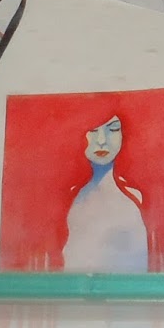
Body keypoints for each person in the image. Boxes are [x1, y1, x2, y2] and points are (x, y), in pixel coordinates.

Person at [62, 115, 149, 272]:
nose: (102, 140)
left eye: (113, 129)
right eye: (93, 130)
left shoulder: (136, 199)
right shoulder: (67, 198)